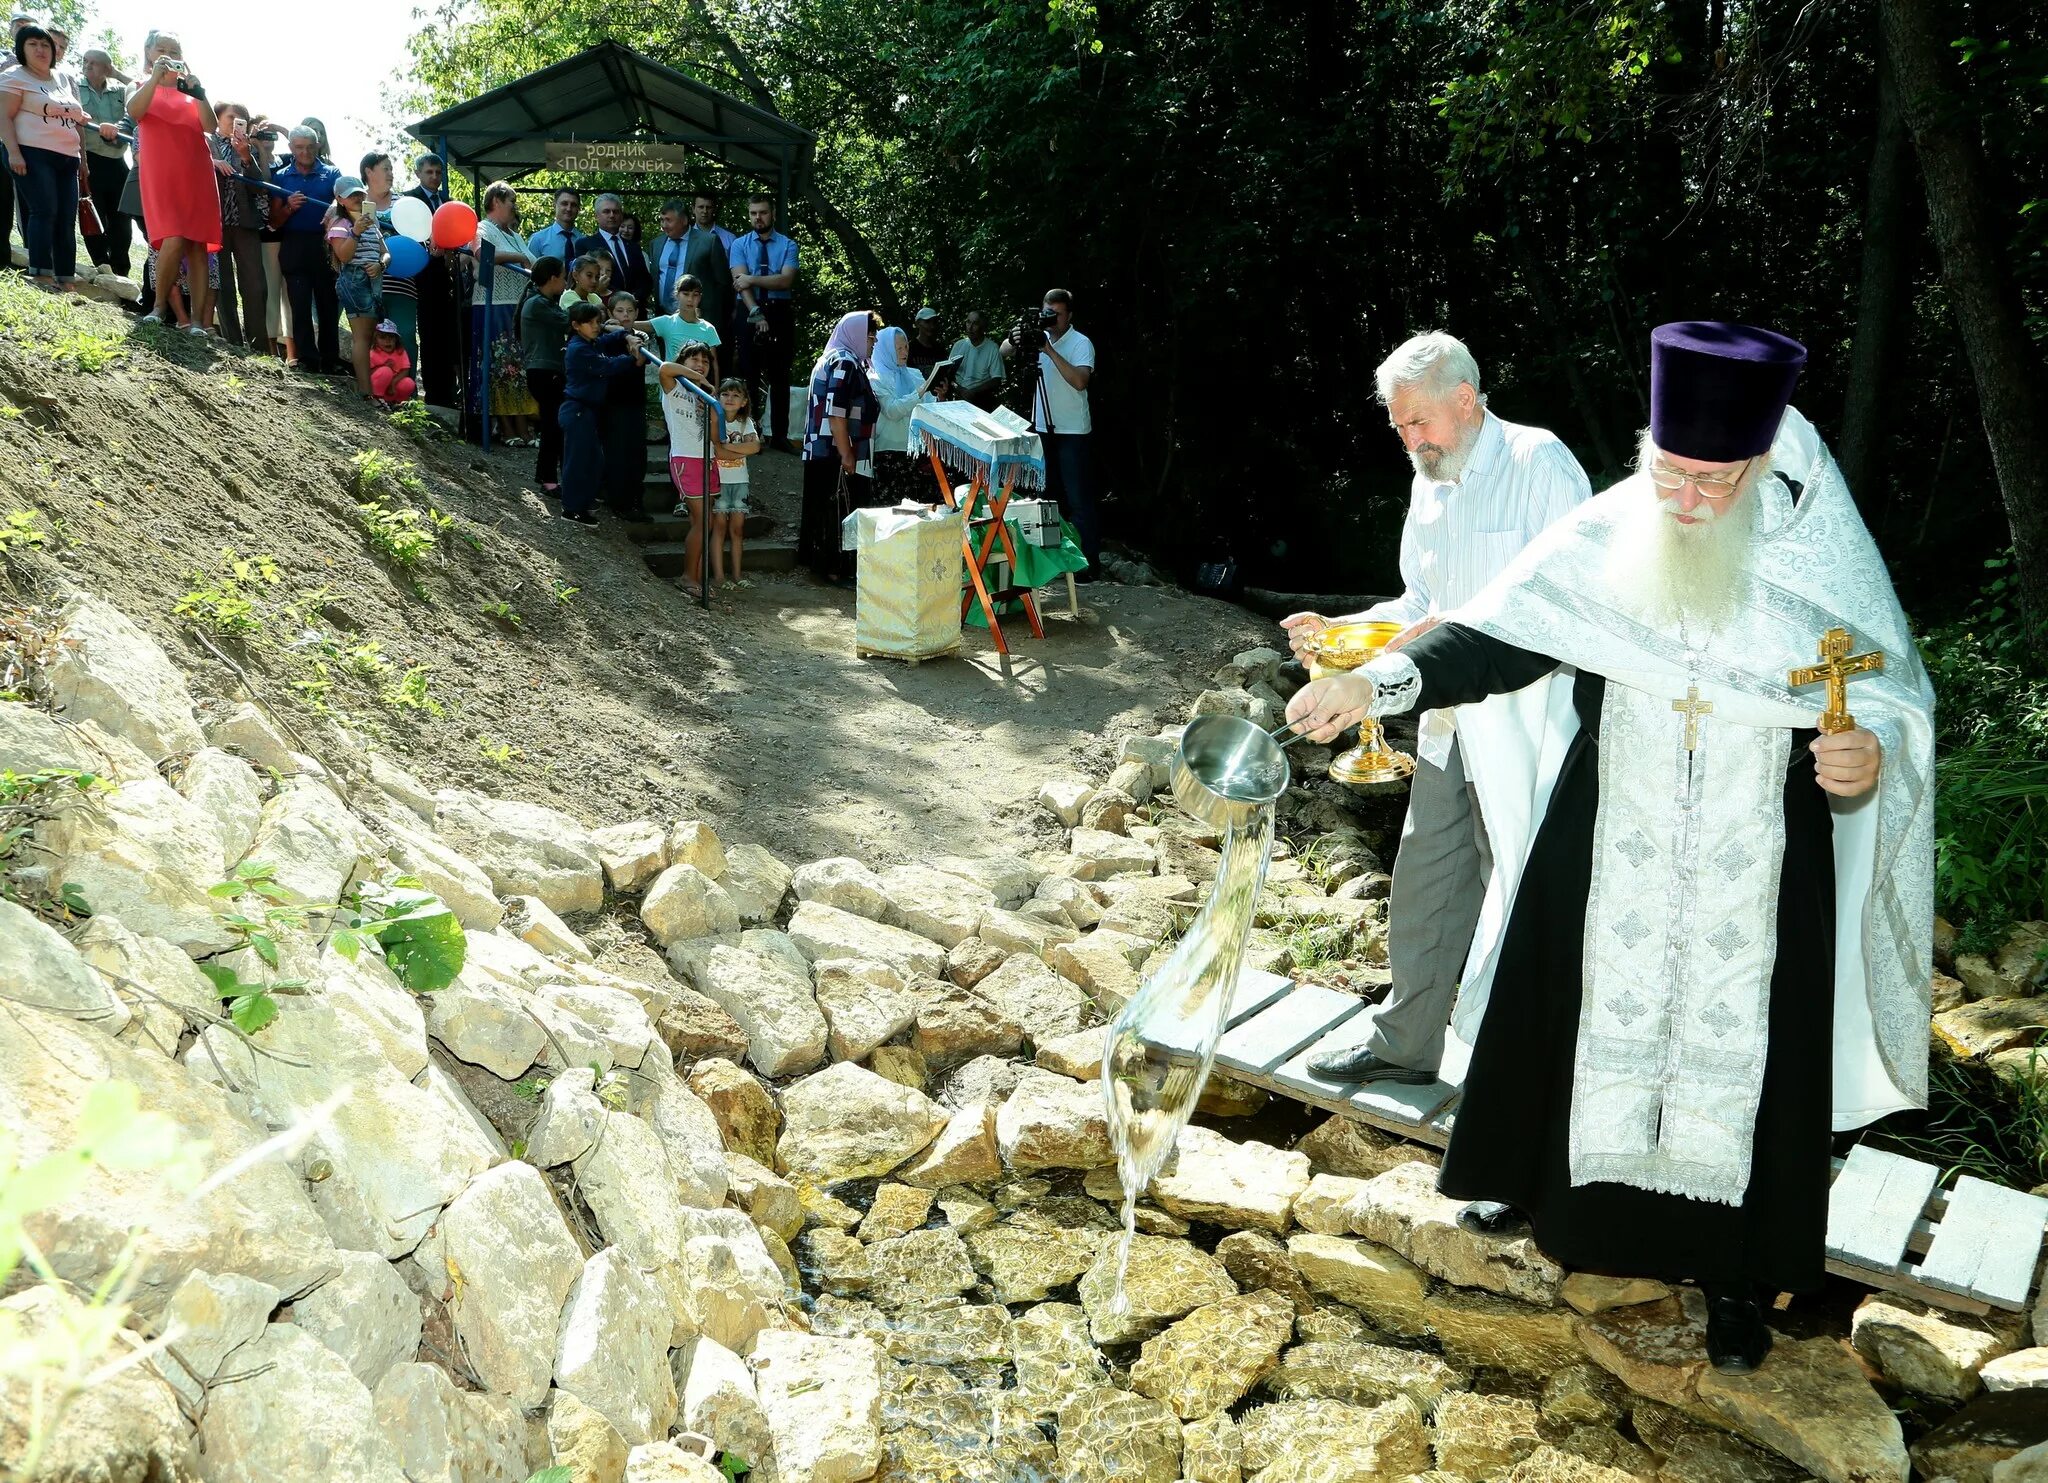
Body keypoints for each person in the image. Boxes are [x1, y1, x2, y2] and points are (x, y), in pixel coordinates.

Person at [1284, 323, 1934, 1375]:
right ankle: (1571, 1220)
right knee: (1576, 1012)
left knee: (1755, 1055)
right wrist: (1376, 682)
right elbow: (1501, 629)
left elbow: (1888, 704)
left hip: (1761, 852)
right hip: (1612, 828)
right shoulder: (1610, 530)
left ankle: (1736, 1279)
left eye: (1709, 480)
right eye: (1666, 471)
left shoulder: (1816, 561)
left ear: (1759, 462)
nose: (1679, 500)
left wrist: (1860, 757)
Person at [1284, 333, 1591, 1090]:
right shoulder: (1430, 480)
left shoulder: (1539, 463)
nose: (1410, 441)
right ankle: (1406, 1042)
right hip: (1444, 715)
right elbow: (1419, 605)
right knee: (1425, 877)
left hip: (1532, 724)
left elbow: (1569, 605)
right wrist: (1340, 636)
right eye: (1398, 427)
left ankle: (1519, 1074)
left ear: (1465, 399)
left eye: (1419, 422)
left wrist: (1431, 637)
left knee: (1519, 888)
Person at [125, 31, 219, 330]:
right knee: (173, 237)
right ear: (149, 52)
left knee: (196, 245)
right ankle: (158, 307)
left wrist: (199, 93)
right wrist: (154, 78)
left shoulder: (191, 89)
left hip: (196, 172)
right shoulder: (140, 85)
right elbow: (135, 111)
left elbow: (210, 126)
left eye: (174, 50)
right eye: (161, 49)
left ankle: (196, 323)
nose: (168, 54)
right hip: (161, 174)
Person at [1002, 288, 1097, 568]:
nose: (1051, 320)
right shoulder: (1037, 336)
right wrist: (1016, 335)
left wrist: (1049, 350)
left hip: (1073, 432)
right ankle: (1053, 563)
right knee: (1047, 499)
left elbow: (1080, 381)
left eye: (1056, 315)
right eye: (1047, 314)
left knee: (1078, 500)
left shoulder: (1081, 343)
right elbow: (1002, 352)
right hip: (1043, 429)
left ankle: (1086, 563)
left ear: (1069, 316)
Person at [0, 25, 89, 292]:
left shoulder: (63, 78)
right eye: (33, 44)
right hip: (30, 152)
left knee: (65, 218)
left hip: (67, 157)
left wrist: (83, 158)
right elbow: (3, 116)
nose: (40, 50)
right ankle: (40, 274)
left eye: (45, 45)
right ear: (22, 49)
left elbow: (76, 118)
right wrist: (14, 152)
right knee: (44, 210)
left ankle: (66, 278)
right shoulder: (14, 76)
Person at [798, 310, 881, 583]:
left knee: (829, 508)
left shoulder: (839, 359)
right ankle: (834, 569)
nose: (873, 341)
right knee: (837, 510)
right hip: (832, 452)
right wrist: (846, 453)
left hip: (825, 451)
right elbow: (836, 412)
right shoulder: (843, 361)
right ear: (856, 334)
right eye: (870, 335)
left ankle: (827, 565)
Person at [558, 301, 650, 526]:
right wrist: (632, 359)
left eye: (597, 321)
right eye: (589, 323)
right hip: (577, 410)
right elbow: (606, 366)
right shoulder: (579, 348)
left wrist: (626, 337)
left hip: (587, 412)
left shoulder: (591, 342)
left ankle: (583, 502)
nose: (596, 326)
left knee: (594, 461)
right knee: (578, 461)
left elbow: (608, 339)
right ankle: (571, 508)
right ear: (576, 325)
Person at [728, 193, 798, 451]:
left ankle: (779, 435)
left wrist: (752, 278)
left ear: (773, 214)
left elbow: (785, 280)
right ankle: (750, 432)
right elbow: (739, 282)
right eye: (753, 213)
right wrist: (755, 311)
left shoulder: (789, 245)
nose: (758, 218)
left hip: (780, 310)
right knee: (749, 372)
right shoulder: (739, 244)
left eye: (763, 212)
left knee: (780, 374)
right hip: (749, 308)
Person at [470, 180, 535, 444]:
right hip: (492, 306)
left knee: (516, 367)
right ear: (496, 201)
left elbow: (532, 260)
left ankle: (522, 425)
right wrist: (519, 259)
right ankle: (506, 427)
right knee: (499, 367)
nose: (514, 207)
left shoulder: (515, 234)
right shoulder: (481, 227)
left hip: (516, 306)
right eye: (511, 202)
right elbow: (481, 252)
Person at [272, 123, 339, 369]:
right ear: (291, 148)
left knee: (328, 305)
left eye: (310, 147)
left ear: (318, 146)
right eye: (299, 148)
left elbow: (346, 204)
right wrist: (289, 207)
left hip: (324, 245)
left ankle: (331, 360)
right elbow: (274, 220)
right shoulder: (280, 177)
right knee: (299, 305)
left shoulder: (332, 174)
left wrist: (335, 209)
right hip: (294, 244)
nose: (305, 153)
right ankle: (308, 360)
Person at [658, 340, 726, 581]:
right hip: (686, 460)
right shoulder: (675, 388)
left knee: (701, 521)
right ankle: (688, 577)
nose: (700, 365)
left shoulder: (704, 396)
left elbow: (714, 434)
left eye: (705, 362)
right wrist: (703, 380)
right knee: (704, 521)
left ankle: (696, 576)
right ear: (684, 362)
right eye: (694, 360)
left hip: (707, 460)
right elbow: (665, 368)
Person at [206, 102, 268, 345]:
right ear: (217, 118)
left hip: (245, 223)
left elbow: (261, 185)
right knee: (222, 285)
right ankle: (232, 341)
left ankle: (259, 344)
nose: (235, 122)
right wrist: (213, 163)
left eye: (241, 119)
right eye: (230, 117)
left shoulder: (252, 148)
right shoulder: (206, 141)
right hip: (216, 222)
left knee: (255, 285)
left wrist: (245, 156)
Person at [325, 174, 386, 395]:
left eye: (360, 193)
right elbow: (343, 256)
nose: (358, 198)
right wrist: (356, 231)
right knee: (362, 336)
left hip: (372, 281)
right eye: (352, 196)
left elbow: (385, 252)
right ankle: (365, 391)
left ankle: (367, 389)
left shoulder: (372, 222)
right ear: (340, 199)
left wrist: (381, 264)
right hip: (354, 281)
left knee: (368, 336)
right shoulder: (339, 223)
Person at [406, 153, 458, 406]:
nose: (435, 177)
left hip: (445, 279)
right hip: (418, 276)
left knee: (446, 337)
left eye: (438, 172)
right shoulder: (409, 200)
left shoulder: (448, 203)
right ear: (418, 173)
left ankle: (448, 394)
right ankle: (434, 396)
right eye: (429, 172)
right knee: (428, 336)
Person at [76, 48, 132, 279]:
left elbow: (141, 87)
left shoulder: (121, 90)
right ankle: (101, 265)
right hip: (88, 159)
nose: (88, 66)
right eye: (85, 61)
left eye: (95, 63)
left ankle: (121, 270)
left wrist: (116, 73)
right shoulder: (73, 85)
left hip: (117, 161)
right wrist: (82, 163)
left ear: (107, 68)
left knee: (122, 220)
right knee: (92, 214)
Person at [361, 152, 416, 375]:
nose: (391, 174)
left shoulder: (404, 204)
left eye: (391, 169)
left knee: (405, 334)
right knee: (368, 337)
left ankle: (407, 392)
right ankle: (372, 388)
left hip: (401, 282)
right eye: (386, 168)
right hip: (365, 282)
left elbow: (420, 237)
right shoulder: (355, 201)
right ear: (369, 171)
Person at [517, 255, 569, 492]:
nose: (566, 282)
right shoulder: (537, 304)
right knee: (552, 426)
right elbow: (569, 322)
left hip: (548, 370)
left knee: (553, 424)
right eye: (564, 276)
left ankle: (544, 475)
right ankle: (549, 480)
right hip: (543, 371)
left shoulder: (546, 302)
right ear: (552, 278)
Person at [653, 192, 733, 335]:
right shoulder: (656, 243)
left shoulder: (709, 242)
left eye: (669, 220)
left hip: (699, 319)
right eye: (662, 220)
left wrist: (717, 318)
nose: (664, 225)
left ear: (684, 220)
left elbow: (724, 284)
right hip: (665, 319)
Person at [870, 325, 933, 504]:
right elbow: (892, 410)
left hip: (916, 450)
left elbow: (929, 406)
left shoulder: (914, 374)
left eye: (906, 347)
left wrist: (940, 395)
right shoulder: (875, 378)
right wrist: (919, 393)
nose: (904, 352)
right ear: (886, 350)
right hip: (888, 453)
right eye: (898, 348)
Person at [600, 288, 647, 516]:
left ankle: (636, 500)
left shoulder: (640, 336)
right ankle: (618, 501)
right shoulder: (605, 338)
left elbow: (639, 361)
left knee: (637, 453)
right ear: (610, 312)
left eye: (630, 311)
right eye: (619, 311)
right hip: (613, 401)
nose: (625, 315)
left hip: (635, 401)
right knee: (616, 452)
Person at [712, 377, 759, 586]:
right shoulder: (713, 420)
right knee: (720, 528)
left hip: (740, 482)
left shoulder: (745, 422)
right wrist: (740, 451)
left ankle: (738, 575)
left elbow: (755, 447)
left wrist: (726, 448)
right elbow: (716, 452)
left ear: (744, 401)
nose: (730, 398)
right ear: (718, 397)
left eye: (735, 395)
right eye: (725, 394)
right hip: (719, 482)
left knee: (738, 529)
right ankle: (720, 577)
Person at [575, 191, 650, 306]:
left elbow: (645, 280)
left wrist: (633, 299)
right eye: (606, 211)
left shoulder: (633, 246)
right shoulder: (585, 244)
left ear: (621, 215)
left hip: (634, 310)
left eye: (616, 211)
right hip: (603, 309)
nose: (612, 215)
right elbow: (581, 282)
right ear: (596, 216)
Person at [646, 272, 721, 379]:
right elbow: (631, 325)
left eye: (695, 295)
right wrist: (613, 323)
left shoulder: (708, 328)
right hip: (672, 388)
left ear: (700, 297)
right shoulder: (666, 322)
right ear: (677, 295)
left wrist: (715, 391)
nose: (690, 299)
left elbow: (714, 364)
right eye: (686, 294)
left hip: (697, 388)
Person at [950, 310, 1005, 411]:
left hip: (982, 400)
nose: (970, 327)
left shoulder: (992, 348)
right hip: (957, 397)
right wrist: (960, 390)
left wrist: (973, 392)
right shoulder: (958, 345)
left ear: (983, 327)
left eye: (975, 323)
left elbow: (996, 380)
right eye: (968, 322)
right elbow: (948, 375)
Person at [526, 186, 579, 267]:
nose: (569, 208)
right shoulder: (538, 239)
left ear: (578, 209)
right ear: (554, 205)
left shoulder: (583, 240)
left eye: (573, 205)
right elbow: (529, 272)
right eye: (564, 203)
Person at [368, 319, 414, 406]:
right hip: (376, 387)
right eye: (383, 337)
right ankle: (376, 398)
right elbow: (367, 372)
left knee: (408, 383)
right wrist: (382, 368)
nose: (387, 341)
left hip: (392, 389)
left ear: (396, 339)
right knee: (385, 371)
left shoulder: (400, 352)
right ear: (375, 340)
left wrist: (392, 383)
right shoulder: (373, 352)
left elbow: (405, 370)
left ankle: (398, 403)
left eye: (391, 337)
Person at [907, 306, 946, 374]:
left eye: (934, 322)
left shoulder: (940, 350)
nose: (932, 326)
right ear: (918, 323)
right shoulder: (909, 348)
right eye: (927, 322)